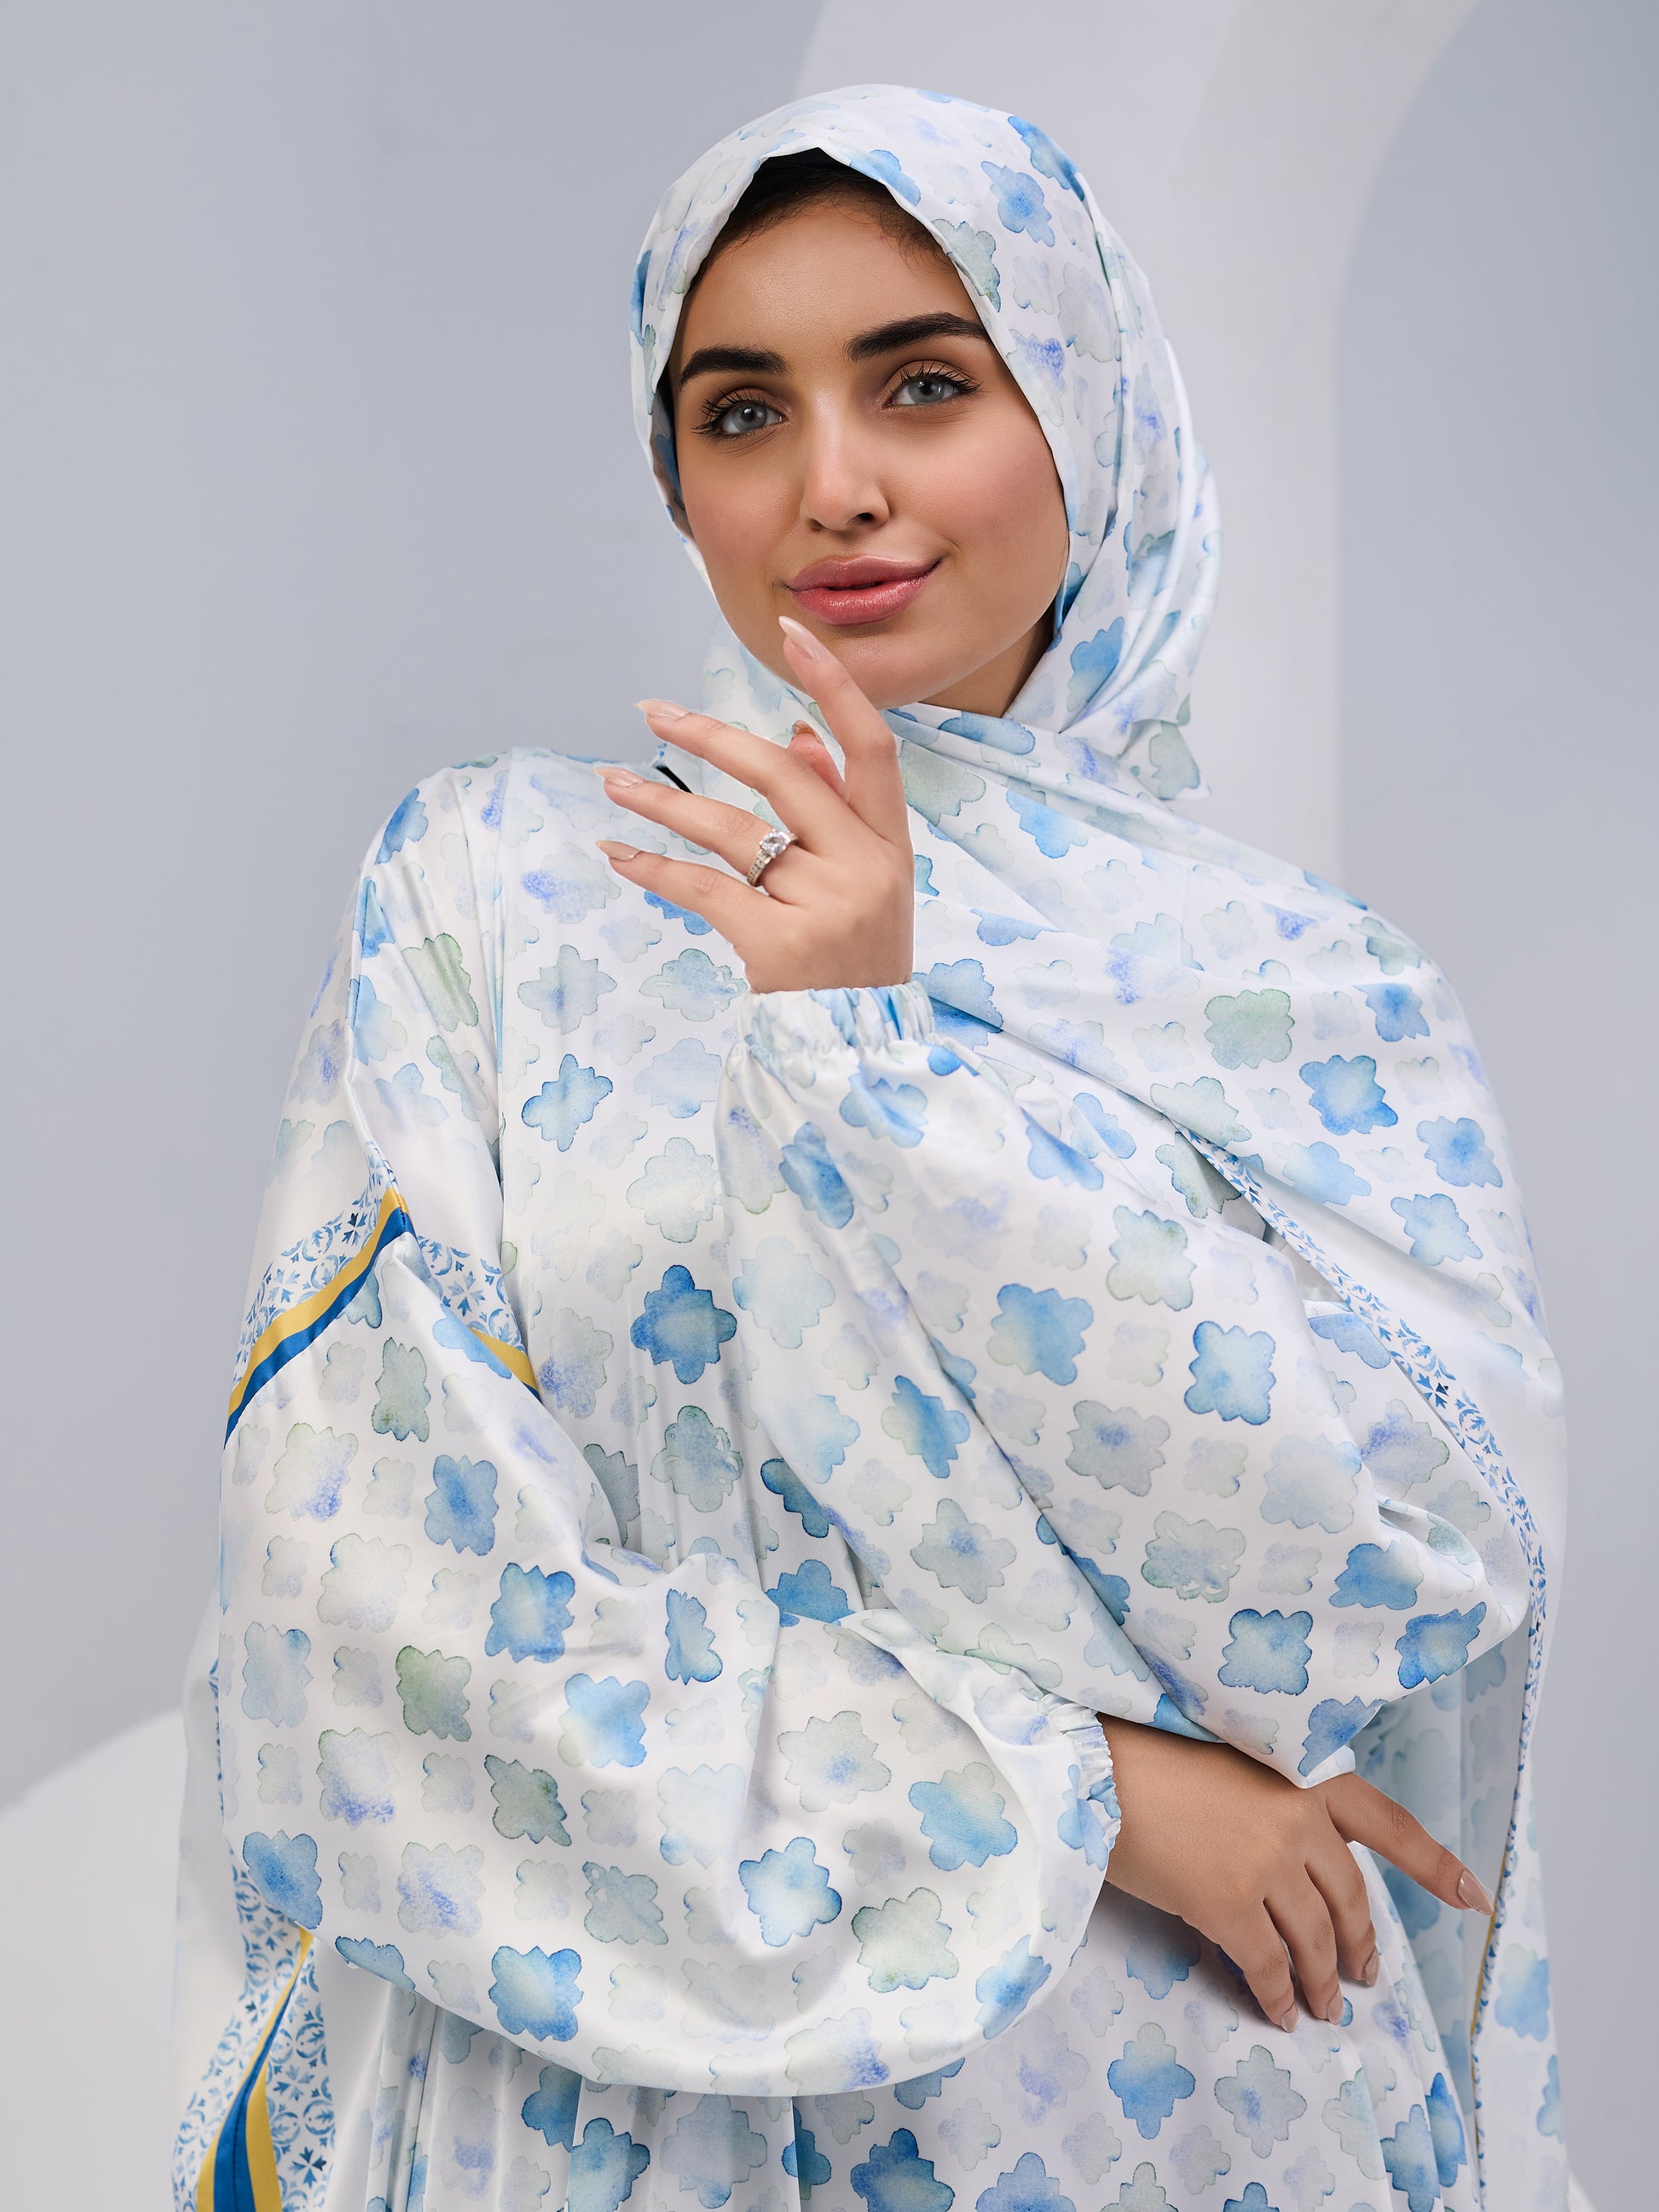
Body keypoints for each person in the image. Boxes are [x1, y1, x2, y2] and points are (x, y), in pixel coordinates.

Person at [172, 86, 1569, 2212]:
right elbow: (367, 1621)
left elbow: (1363, 1574)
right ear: (675, 477)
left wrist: (879, 1062)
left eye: (923, 382)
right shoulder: (502, 904)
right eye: (741, 413)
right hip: (613, 2116)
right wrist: (1084, 1796)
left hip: (1171, 2108)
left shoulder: (1301, 999)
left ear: (1085, 409)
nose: (834, 485)